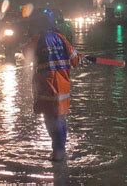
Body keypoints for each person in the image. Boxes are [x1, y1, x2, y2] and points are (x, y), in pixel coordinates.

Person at [22, 9, 82, 161]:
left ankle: (58, 152)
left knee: (50, 119)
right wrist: (80, 58)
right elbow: (76, 60)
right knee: (60, 118)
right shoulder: (62, 38)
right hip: (62, 88)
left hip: (46, 87)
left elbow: (25, 54)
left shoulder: (37, 40)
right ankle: (60, 151)